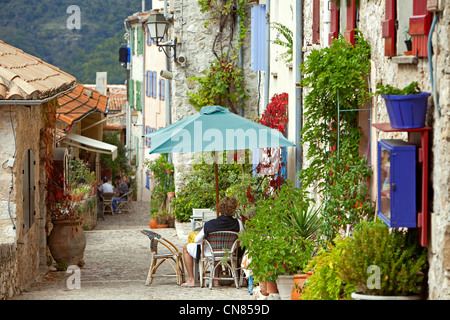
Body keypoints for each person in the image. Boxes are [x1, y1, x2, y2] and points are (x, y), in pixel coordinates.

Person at [181, 197, 243, 287]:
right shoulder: (238, 223)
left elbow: (197, 240)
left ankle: (191, 279)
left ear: (220, 209)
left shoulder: (210, 224)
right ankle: (217, 279)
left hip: (212, 252)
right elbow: (241, 240)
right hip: (229, 253)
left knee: (186, 247)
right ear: (233, 210)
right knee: (217, 249)